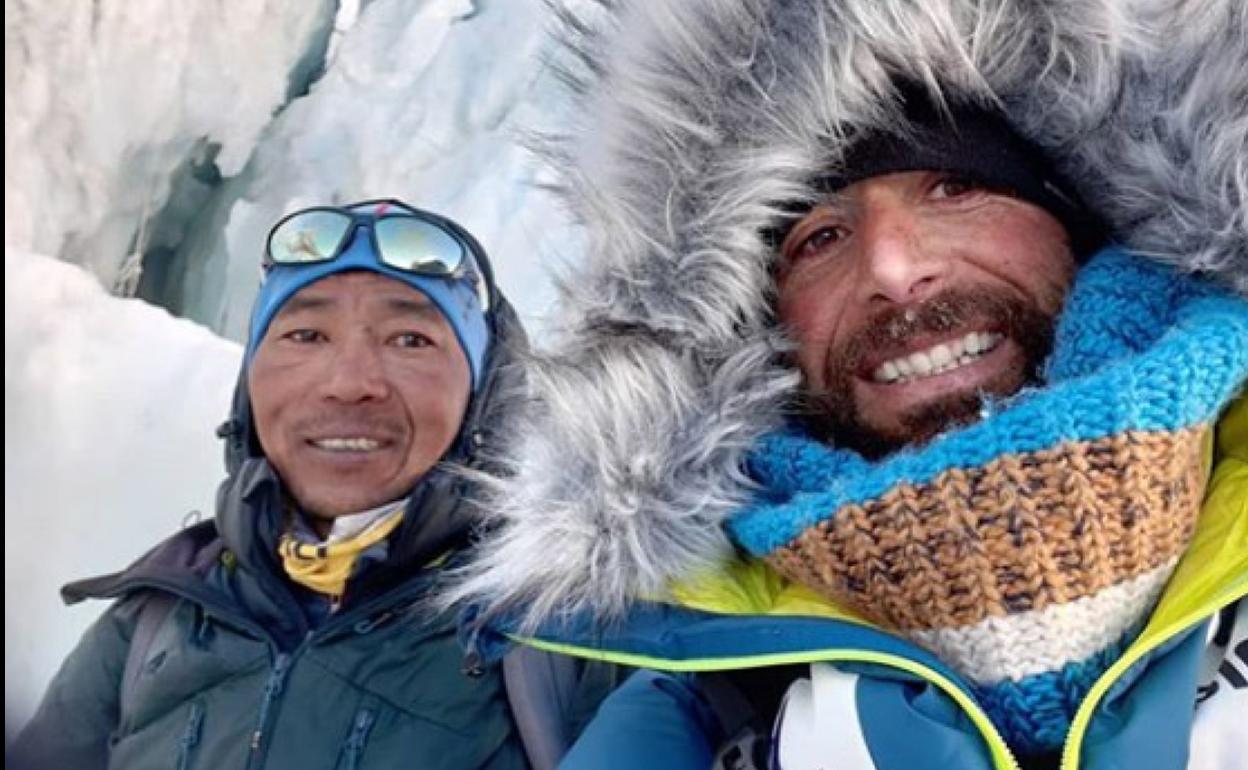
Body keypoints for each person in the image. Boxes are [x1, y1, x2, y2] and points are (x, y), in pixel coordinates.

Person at [446, 2, 1248, 769]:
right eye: (820, 238)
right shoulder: (692, 713)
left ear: (1083, 219)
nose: (896, 272)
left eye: (955, 189)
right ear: (749, 330)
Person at [9, 199, 607, 770]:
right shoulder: (154, 620)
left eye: (410, 340)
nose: (348, 382)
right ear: (249, 390)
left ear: (483, 400)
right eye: (306, 336)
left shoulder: (570, 634)